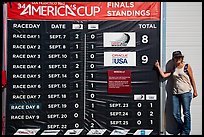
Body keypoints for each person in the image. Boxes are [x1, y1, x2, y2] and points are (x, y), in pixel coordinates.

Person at [154, 50, 198, 135]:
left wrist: (195, 91)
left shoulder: (186, 66)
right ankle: (183, 128)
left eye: (179, 57)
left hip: (186, 92)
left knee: (186, 113)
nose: (177, 59)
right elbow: (163, 75)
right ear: (173, 59)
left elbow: (192, 79)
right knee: (175, 114)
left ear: (182, 58)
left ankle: (186, 132)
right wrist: (158, 67)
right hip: (175, 93)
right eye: (175, 58)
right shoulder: (173, 68)